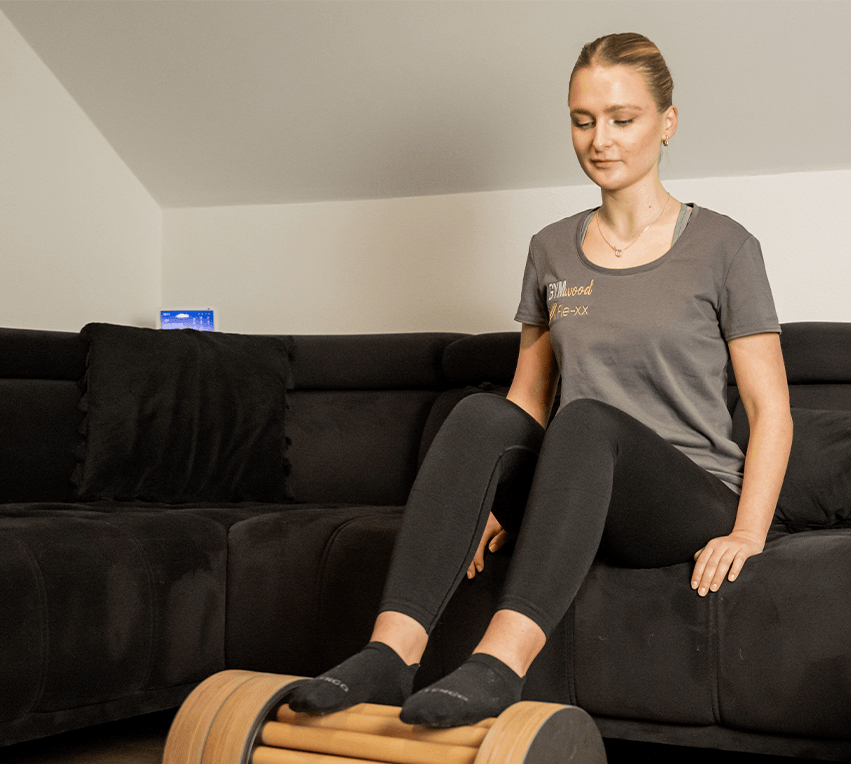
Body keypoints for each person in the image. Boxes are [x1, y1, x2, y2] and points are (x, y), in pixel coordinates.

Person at [289, 32, 793, 728]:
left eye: (624, 118)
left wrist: (748, 534)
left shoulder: (725, 247)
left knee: (585, 419)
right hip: (576, 484)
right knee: (479, 412)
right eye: (583, 120)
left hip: (680, 493)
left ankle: (498, 665)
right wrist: (484, 497)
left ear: (666, 122)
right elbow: (525, 402)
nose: (601, 139)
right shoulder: (551, 248)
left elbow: (771, 410)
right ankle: (391, 654)